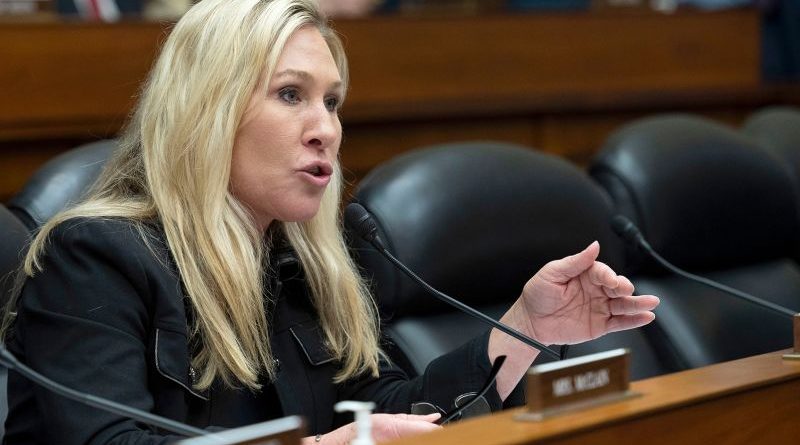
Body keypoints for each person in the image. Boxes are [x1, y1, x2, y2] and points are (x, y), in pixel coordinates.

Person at [1, 0, 660, 444]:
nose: (327, 129)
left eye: (333, 102)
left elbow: (389, 413)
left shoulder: (303, 264)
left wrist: (525, 328)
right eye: (291, 94)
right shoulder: (95, 258)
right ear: (208, 110)